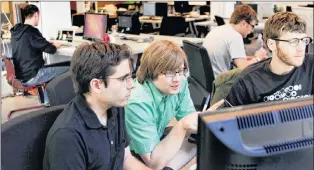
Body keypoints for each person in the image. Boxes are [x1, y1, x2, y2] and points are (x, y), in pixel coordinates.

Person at [43, 41, 150, 170]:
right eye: (123, 79)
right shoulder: (68, 137)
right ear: (97, 85)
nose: (131, 85)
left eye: (130, 77)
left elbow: (125, 158)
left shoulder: (115, 106)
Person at [125, 40, 224, 170]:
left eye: (181, 71)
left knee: (200, 137)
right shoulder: (138, 101)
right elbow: (152, 163)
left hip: (157, 136)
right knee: (159, 160)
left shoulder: (179, 83)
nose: (177, 79)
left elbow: (190, 120)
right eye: (170, 73)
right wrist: (182, 126)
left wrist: (205, 122)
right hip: (134, 153)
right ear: (152, 71)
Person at [225, 11, 313, 106]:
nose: (301, 49)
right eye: (293, 41)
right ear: (272, 44)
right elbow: (227, 118)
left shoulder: (311, 66)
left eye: (303, 40)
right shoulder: (248, 81)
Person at [10, 4, 67, 89]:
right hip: (33, 75)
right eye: (38, 16)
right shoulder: (32, 31)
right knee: (69, 69)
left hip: (21, 76)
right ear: (36, 15)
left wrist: (45, 42)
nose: (39, 19)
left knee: (54, 68)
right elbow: (51, 50)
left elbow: (29, 44)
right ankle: (55, 99)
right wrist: (56, 46)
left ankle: (48, 100)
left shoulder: (17, 31)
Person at [202, 4, 268, 78]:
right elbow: (243, 69)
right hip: (220, 84)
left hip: (208, 79)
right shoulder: (235, 36)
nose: (252, 30)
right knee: (257, 78)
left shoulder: (220, 29)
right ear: (243, 23)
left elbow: (233, 59)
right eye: (252, 26)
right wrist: (258, 58)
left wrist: (246, 58)